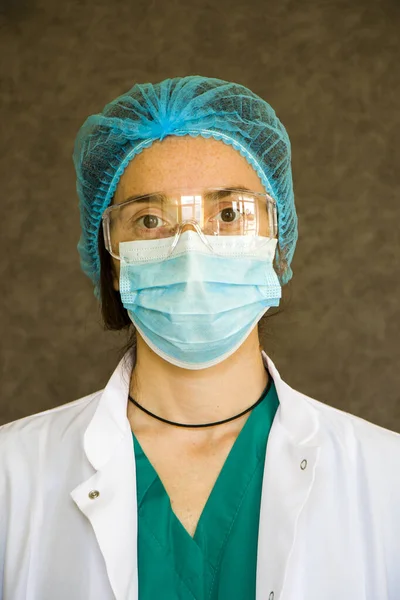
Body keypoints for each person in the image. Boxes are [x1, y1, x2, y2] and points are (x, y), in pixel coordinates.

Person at [0, 76, 400, 600]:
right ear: (113, 262)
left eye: (229, 214)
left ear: (276, 243)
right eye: (150, 219)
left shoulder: (386, 477)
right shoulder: (12, 476)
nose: (192, 249)